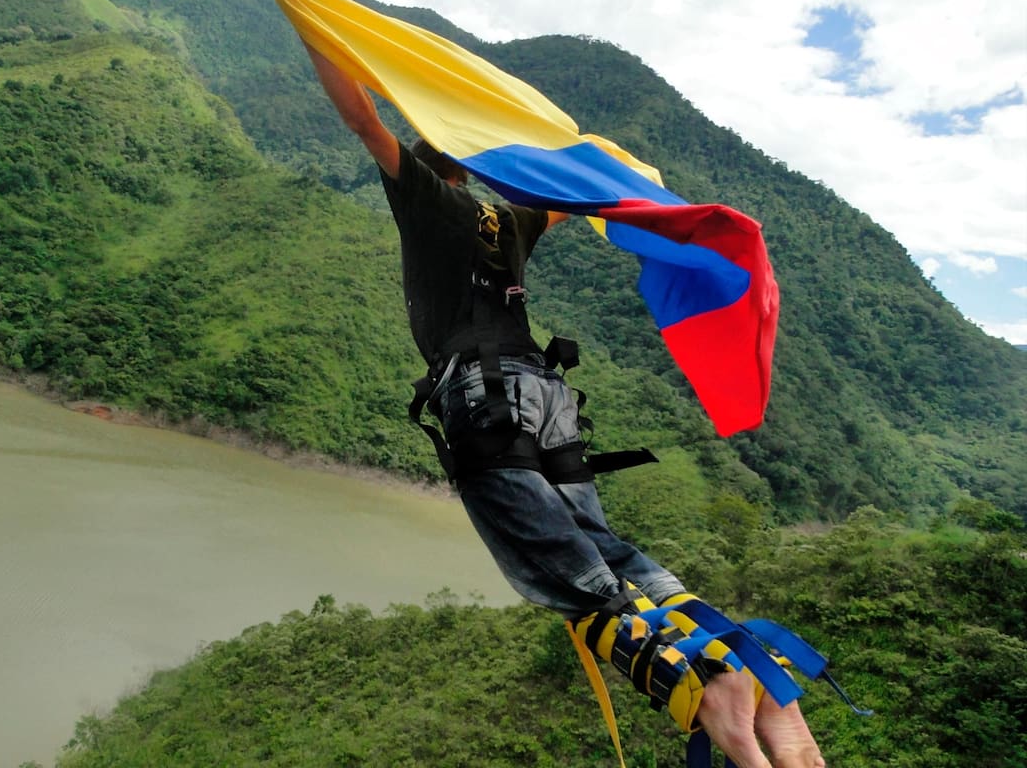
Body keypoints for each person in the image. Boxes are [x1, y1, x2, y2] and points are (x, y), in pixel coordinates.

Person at [301, 39, 825, 768]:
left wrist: (312, 25)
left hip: (485, 400)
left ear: (427, 168)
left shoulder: (428, 203)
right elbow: (566, 204)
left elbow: (362, 120)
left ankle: (706, 690)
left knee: (568, 574)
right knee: (604, 550)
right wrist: (594, 158)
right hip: (546, 399)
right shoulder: (510, 222)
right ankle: (734, 660)